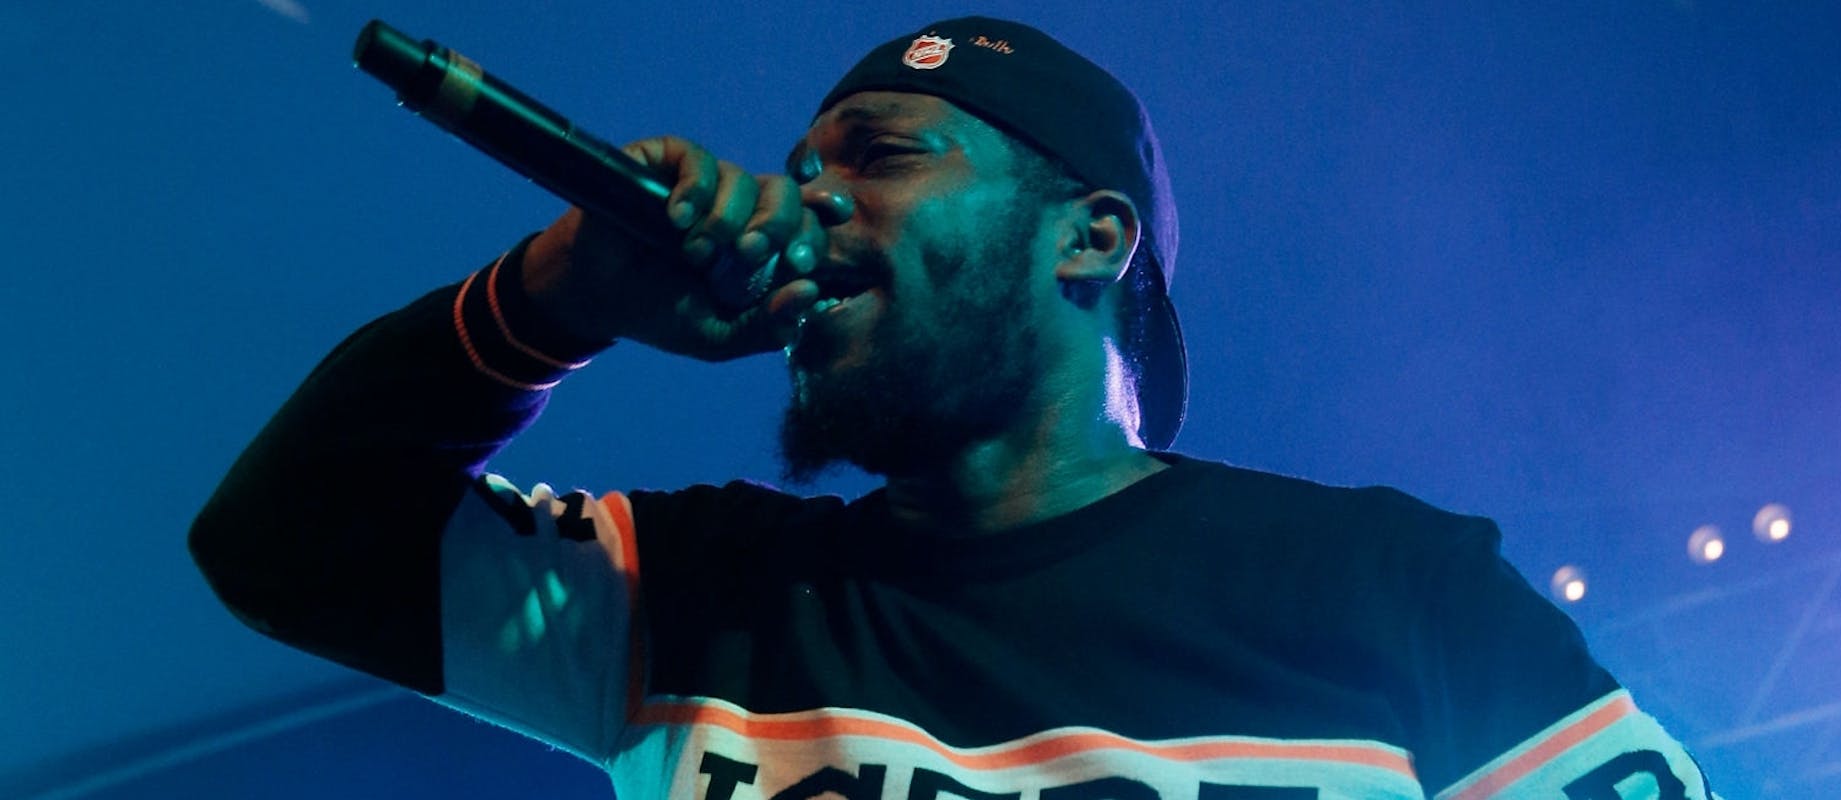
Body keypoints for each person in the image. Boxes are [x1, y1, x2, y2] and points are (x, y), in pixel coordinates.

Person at [191, 16, 1717, 800]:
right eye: (803, 162)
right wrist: (555, 296)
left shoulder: (1392, 590)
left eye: (881, 155)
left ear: (1089, 238)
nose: (806, 199)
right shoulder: (705, 599)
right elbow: (282, 545)